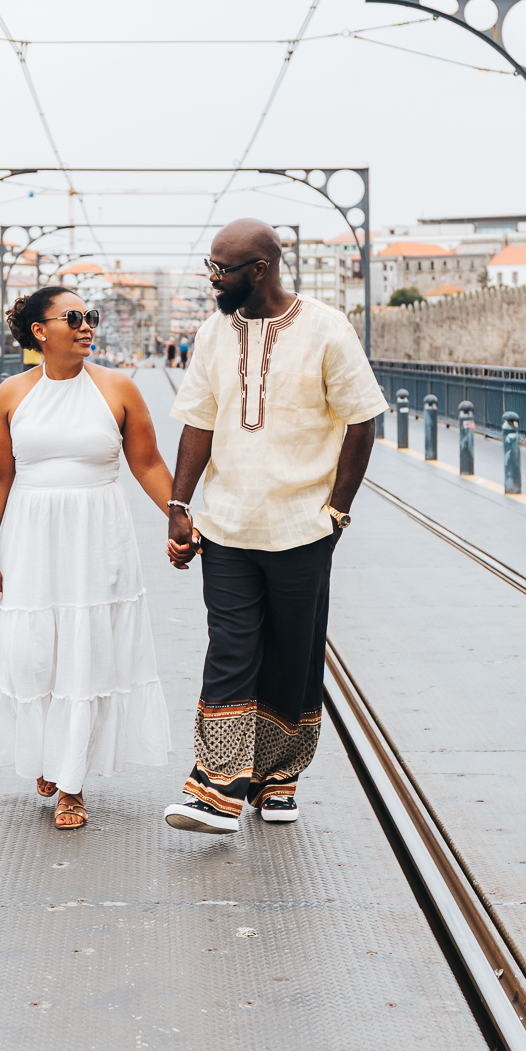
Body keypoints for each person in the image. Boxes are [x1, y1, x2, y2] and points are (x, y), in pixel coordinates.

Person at [162, 219, 387, 834]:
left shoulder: (325, 328)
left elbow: (362, 421)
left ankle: (279, 773)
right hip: (228, 526)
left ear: (258, 270)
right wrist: (180, 507)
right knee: (231, 649)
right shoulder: (212, 334)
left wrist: (336, 511)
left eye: (221, 269)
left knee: (294, 652)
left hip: (302, 527)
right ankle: (218, 785)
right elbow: (198, 425)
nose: (212, 279)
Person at [0, 286, 173, 830]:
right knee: (36, 653)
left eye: (91, 318)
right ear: (41, 331)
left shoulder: (118, 387)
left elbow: (149, 464)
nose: (88, 326)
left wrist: (181, 517)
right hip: (34, 538)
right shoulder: (12, 395)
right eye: (75, 318)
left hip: (98, 537)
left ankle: (72, 784)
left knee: (87, 652)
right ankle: (49, 753)